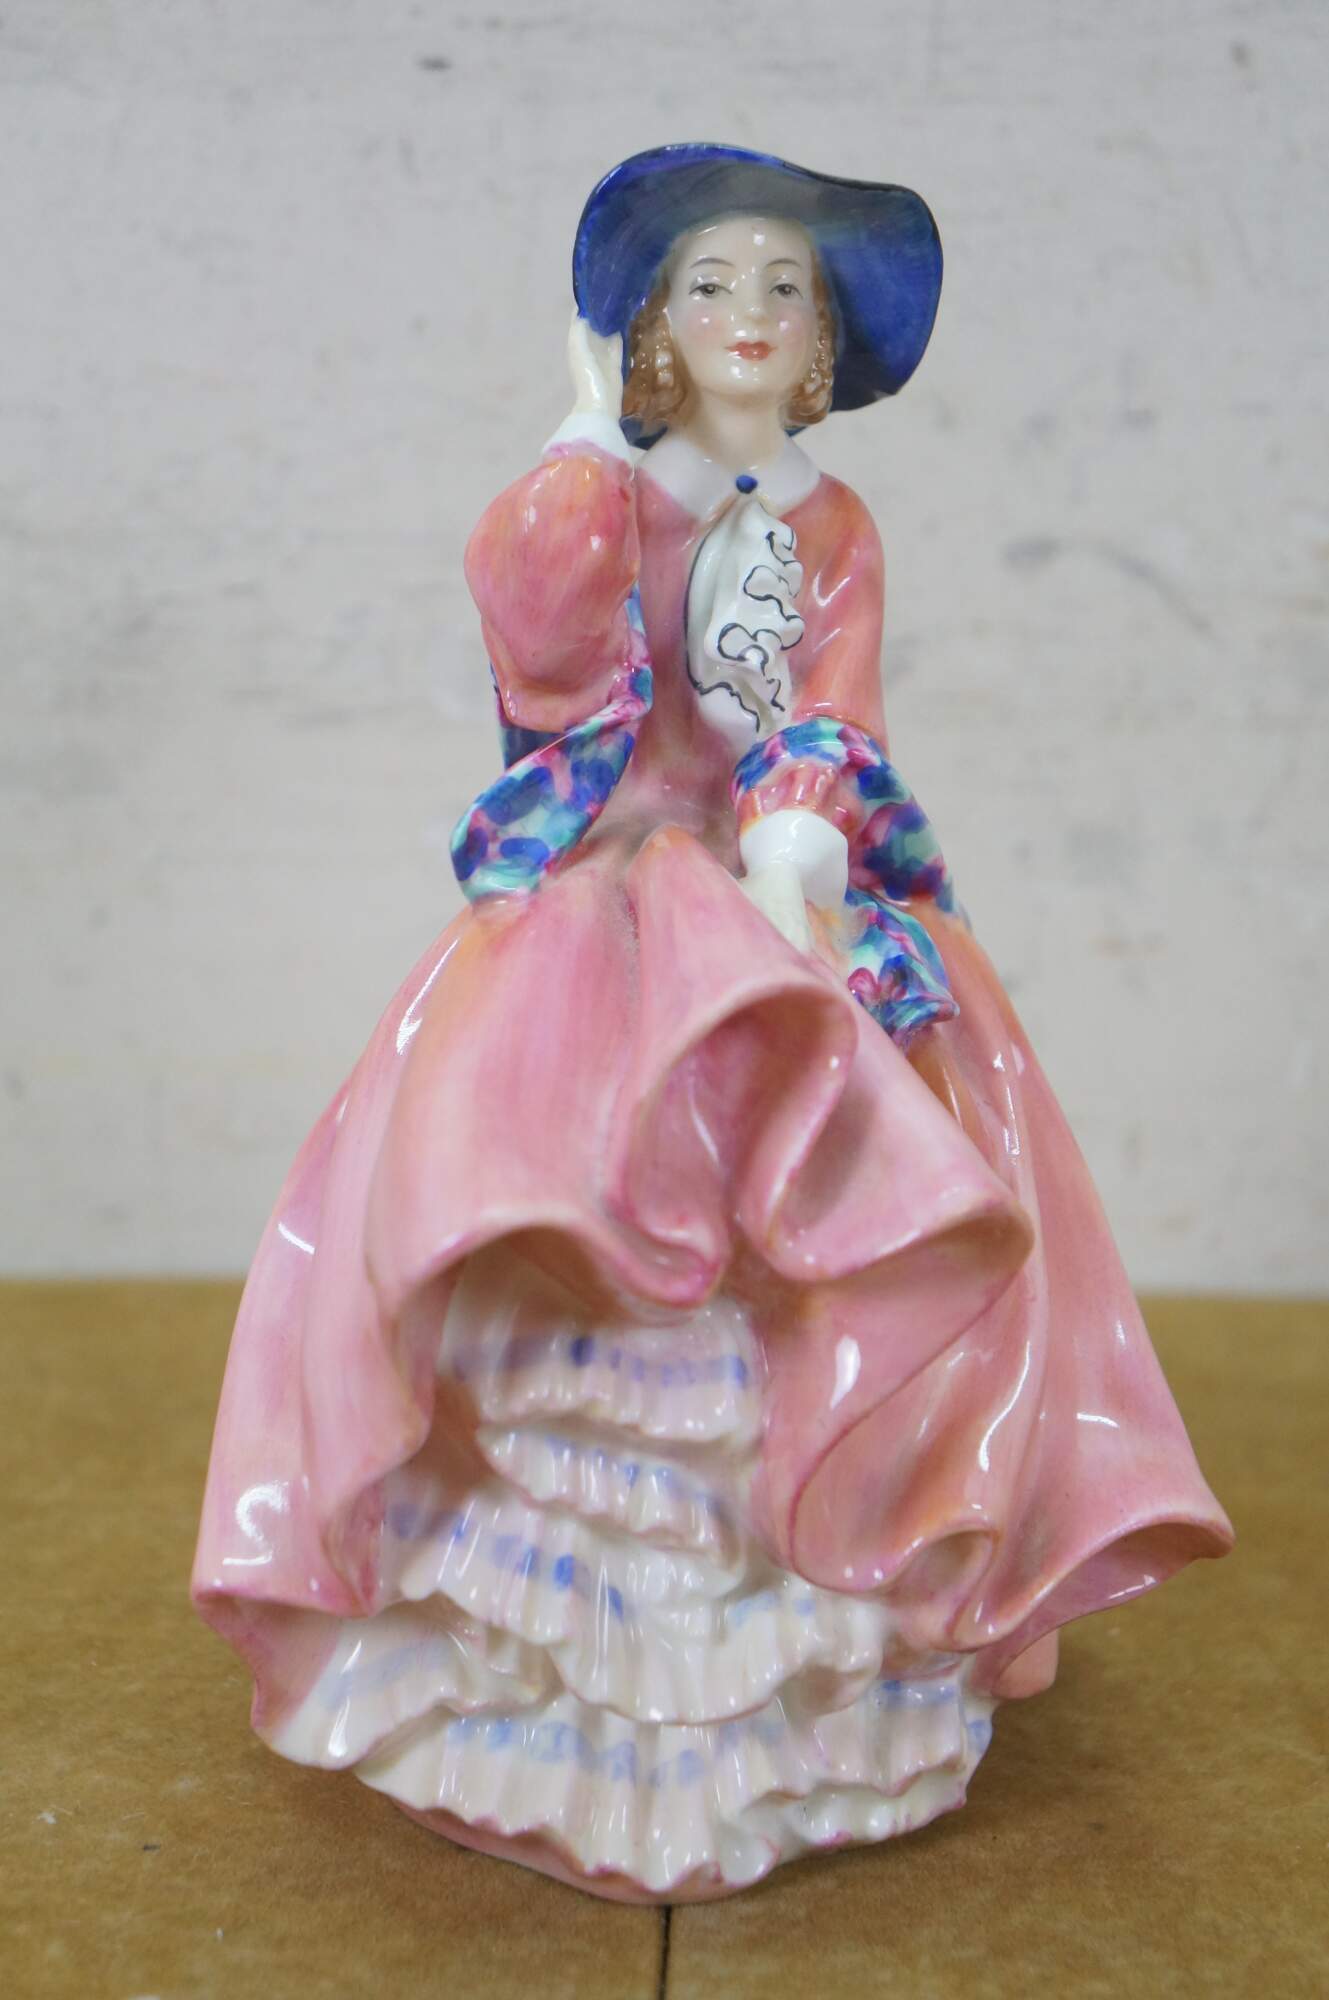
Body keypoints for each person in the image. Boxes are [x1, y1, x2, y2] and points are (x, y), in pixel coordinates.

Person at [193, 145, 1232, 1904]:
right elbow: (540, 661)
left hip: (781, 885)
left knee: (888, 1132)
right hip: (608, 896)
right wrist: (578, 463)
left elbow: (832, 712)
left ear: (820, 343)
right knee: (552, 1179)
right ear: (650, 329)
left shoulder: (833, 528)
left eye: (784, 288)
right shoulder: (602, 498)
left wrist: (799, 848)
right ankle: (544, 1690)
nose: (750, 312)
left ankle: (828, 1635)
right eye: (711, 283)